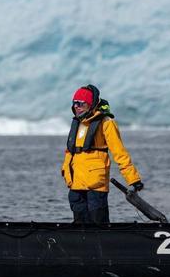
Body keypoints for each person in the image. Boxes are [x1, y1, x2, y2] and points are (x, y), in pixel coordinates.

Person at [61, 84, 143, 224]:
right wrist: (66, 173)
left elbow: (120, 153)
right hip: (76, 184)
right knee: (79, 222)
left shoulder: (106, 123)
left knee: (98, 221)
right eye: (74, 103)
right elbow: (70, 152)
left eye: (81, 103)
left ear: (90, 104)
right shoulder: (77, 123)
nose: (76, 106)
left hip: (95, 183)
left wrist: (133, 179)